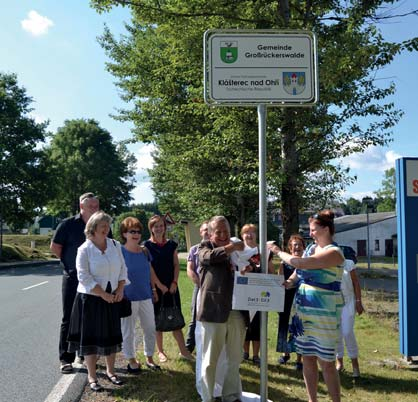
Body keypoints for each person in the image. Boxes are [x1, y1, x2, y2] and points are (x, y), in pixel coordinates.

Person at [268, 210, 344, 402]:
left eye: (313, 229)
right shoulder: (311, 248)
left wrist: (277, 251)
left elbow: (299, 262)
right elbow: (297, 273)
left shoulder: (334, 253)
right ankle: (312, 400)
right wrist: (288, 282)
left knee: (326, 362)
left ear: (326, 229)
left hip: (325, 315)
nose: (309, 233)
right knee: (308, 357)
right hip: (303, 312)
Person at [67, 211, 128, 392]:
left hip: (112, 297)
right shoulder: (84, 249)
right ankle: (92, 377)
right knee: (91, 340)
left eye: (108, 226)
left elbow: (123, 269)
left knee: (111, 336)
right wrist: (103, 293)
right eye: (103, 226)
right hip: (91, 300)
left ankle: (111, 372)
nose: (106, 229)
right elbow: (83, 276)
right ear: (92, 228)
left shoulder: (115, 245)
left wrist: (120, 288)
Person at [197, 215, 247, 402]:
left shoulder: (238, 251)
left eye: (226, 231)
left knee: (234, 359)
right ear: (210, 234)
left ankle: (230, 396)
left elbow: (251, 265)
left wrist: (247, 268)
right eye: (218, 232)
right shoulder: (204, 248)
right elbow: (208, 258)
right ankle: (208, 398)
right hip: (213, 311)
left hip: (238, 311)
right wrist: (231, 247)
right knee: (210, 360)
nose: (224, 235)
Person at [50, 192, 100, 374]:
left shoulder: (102, 226)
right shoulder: (67, 224)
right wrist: (71, 266)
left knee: (90, 319)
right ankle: (65, 359)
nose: (95, 209)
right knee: (69, 318)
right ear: (81, 207)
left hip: (95, 281)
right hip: (72, 279)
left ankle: (84, 353)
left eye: (96, 206)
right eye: (91, 206)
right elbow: (55, 248)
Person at [144, 215, 192, 362]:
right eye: (155, 226)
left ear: (164, 227)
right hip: (155, 288)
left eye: (161, 226)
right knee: (158, 321)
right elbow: (149, 268)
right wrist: (158, 286)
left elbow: (176, 265)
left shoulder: (171, 245)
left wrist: (174, 283)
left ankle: (184, 351)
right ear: (151, 228)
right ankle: (160, 352)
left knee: (176, 319)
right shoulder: (146, 246)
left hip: (171, 288)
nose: (159, 228)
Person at [119, 217, 165, 373]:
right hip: (127, 297)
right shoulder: (120, 251)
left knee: (150, 328)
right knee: (128, 331)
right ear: (124, 233)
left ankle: (150, 358)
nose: (136, 234)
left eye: (138, 231)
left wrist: (153, 290)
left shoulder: (145, 250)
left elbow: (150, 271)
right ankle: (131, 360)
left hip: (146, 295)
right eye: (132, 231)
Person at [240, 224, 274, 366]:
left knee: (258, 325)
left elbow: (271, 271)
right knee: (244, 324)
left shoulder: (264, 252)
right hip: (243, 293)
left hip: (260, 294)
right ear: (242, 235)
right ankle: (245, 353)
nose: (249, 235)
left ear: (257, 234)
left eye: (252, 232)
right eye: (246, 233)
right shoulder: (238, 251)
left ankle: (256, 355)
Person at [277, 234, 304, 370]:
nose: (297, 247)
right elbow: (279, 279)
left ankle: (300, 359)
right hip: (286, 298)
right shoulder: (284, 263)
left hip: (302, 299)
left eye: (299, 244)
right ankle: (285, 352)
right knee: (285, 325)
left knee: (298, 327)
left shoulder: (307, 262)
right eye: (294, 245)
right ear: (290, 247)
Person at [336, 259, 364, 377]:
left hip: (348, 302)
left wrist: (358, 301)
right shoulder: (326, 263)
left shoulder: (348, 263)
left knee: (347, 332)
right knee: (337, 334)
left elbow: (356, 282)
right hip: (334, 303)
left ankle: (355, 364)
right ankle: (339, 363)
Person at [185, 221, 209, 353]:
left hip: (215, 289)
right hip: (199, 287)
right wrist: (200, 284)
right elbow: (190, 269)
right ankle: (188, 347)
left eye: (209, 230)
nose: (207, 232)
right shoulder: (194, 249)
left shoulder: (215, 249)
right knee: (195, 316)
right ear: (200, 232)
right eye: (204, 230)